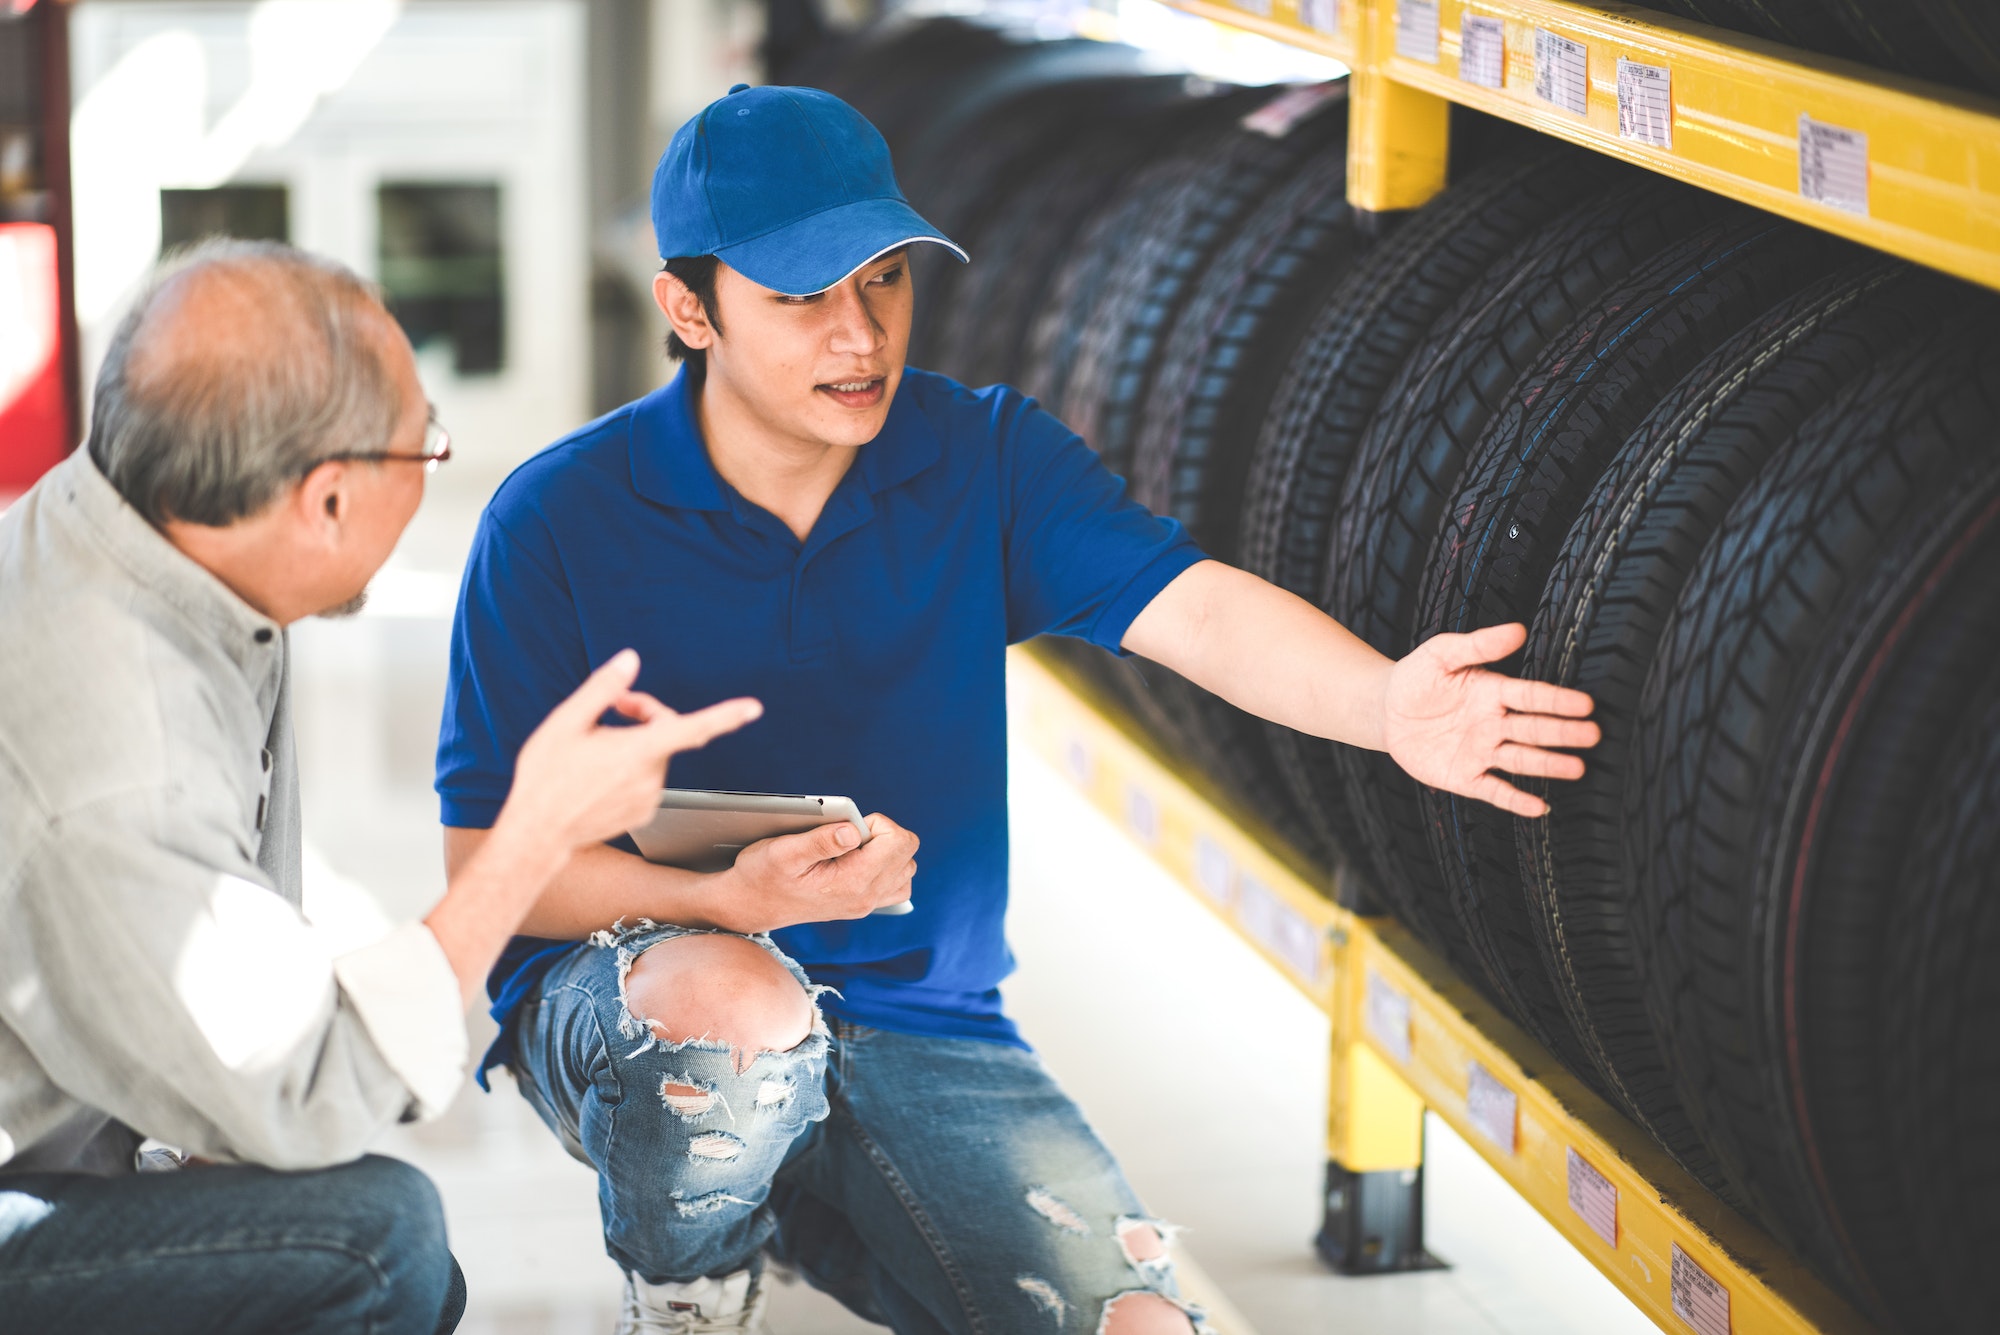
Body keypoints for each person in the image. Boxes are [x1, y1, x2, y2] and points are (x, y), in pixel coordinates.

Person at [437, 85, 1600, 1335]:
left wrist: (1383, 704)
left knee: (1144, 1330)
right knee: (733, 1022)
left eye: (885, 280)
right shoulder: (554, 522)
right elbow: (489, 870)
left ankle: (830, 1211)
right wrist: (729, 901)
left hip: (924, 1022)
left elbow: (1192, 611)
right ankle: (690, 1287)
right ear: (688, 309)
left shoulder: (980, 458)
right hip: (642, 1009)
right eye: (800, 297)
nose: (859, 335)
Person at [0, 240, 760, 1335]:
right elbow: (302, 1093)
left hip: (76, 1111)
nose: (434, 459)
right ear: (325, 501)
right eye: (426, 446)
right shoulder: (126, 764)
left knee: (415, 1277)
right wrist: (532, 834)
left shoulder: (135, 527)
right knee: (377, 1243)